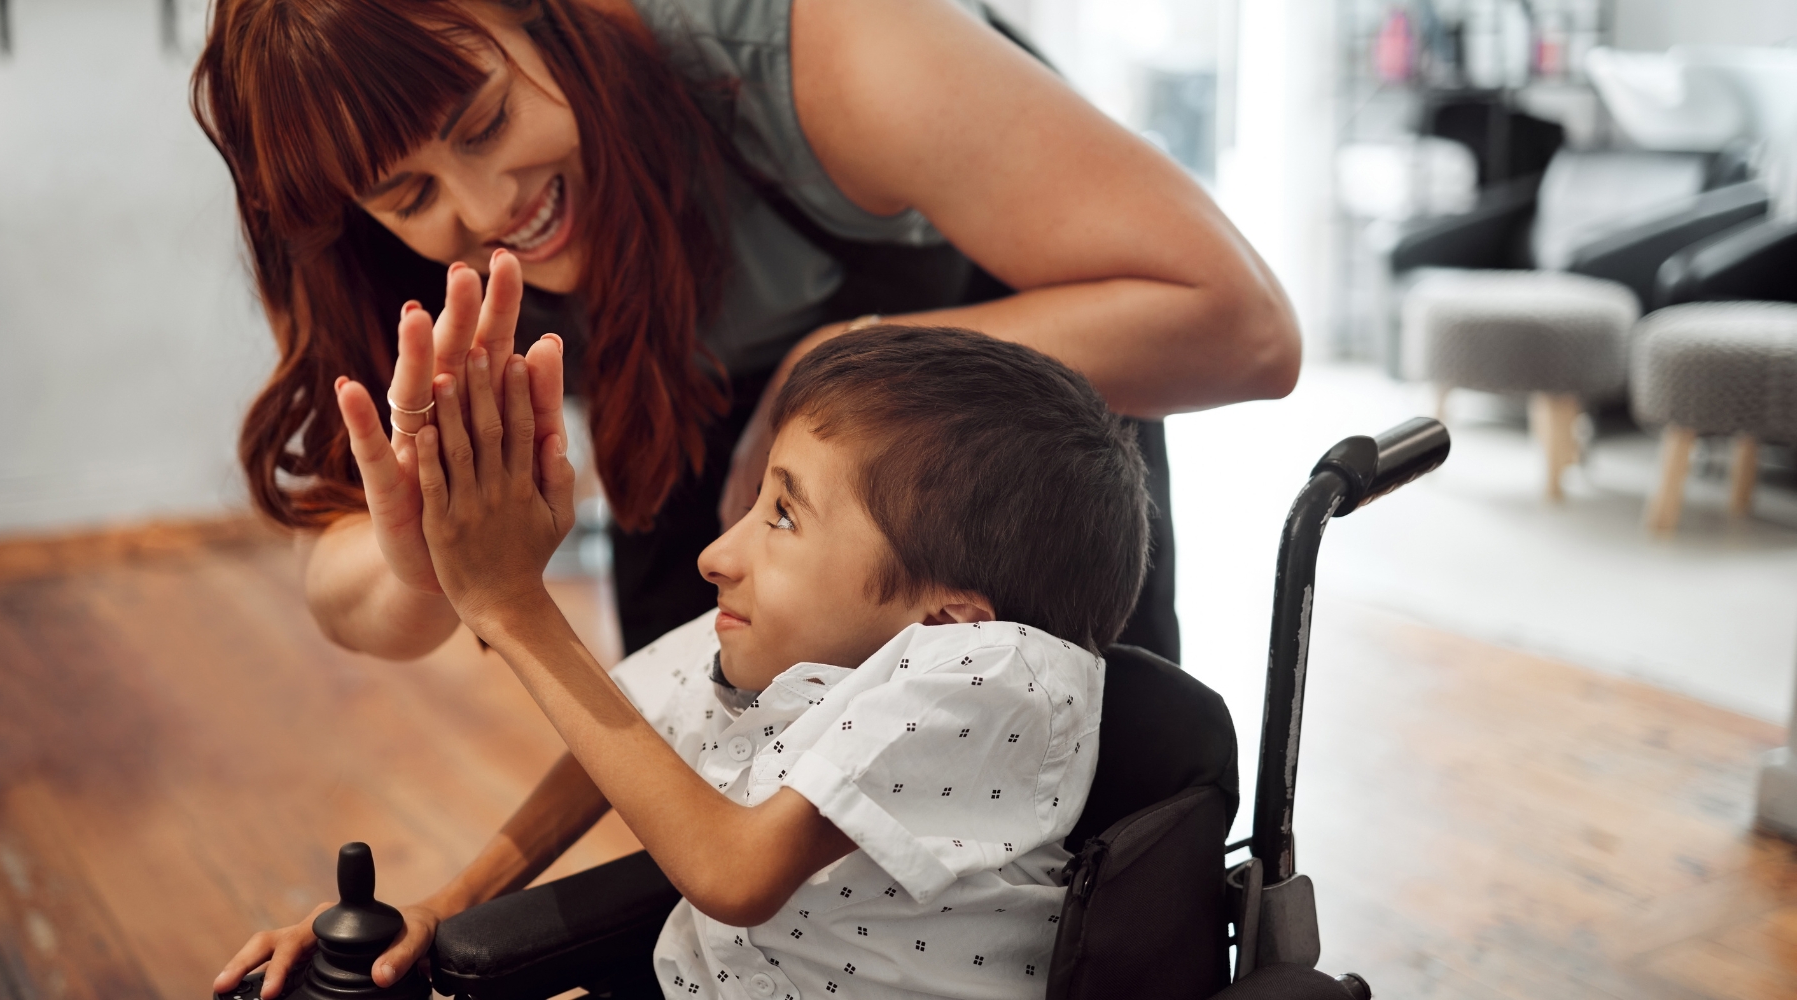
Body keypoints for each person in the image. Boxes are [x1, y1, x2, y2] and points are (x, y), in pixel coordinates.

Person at [189, 0, 1300, 666]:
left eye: (485, 122)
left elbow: (1244, 327)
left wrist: (833, 369)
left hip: (993, 404)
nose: (484, 215)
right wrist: (425, 556)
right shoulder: (372, 250)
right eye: (407, 194)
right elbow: (349, 590)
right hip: (697, 405)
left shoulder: (824, 44)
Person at [215, 323, 1151, 998]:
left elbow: (734, 877)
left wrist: (513, 605)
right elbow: (611, 732)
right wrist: (443, 908)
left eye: (782, 515)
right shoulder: (794, 646)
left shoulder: (997, 676)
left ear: (947, 617)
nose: (717, 555)